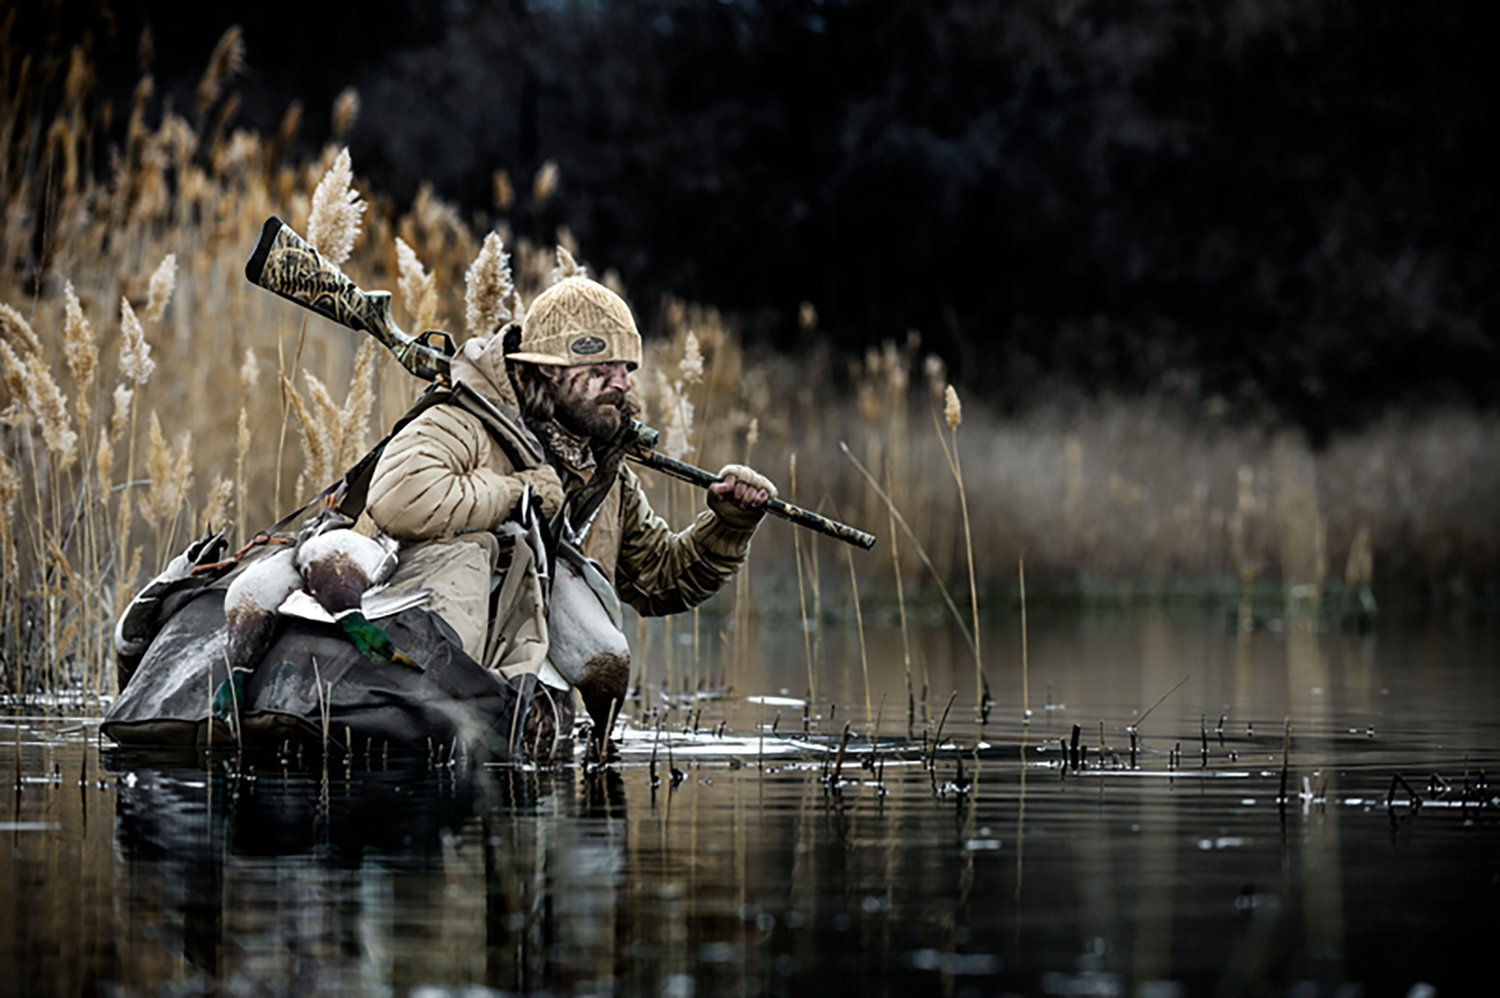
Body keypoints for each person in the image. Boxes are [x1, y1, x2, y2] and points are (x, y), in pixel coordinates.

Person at [362, 275, 777, 745]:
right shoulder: (462, 421)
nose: (622, 383)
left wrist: (729, 524)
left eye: (626, 367)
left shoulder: (601, 471)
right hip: (416, 717)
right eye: (601, 366)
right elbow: (402, 498)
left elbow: (660, 581)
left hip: (526, 741)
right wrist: (521, 491)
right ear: (550, 370)